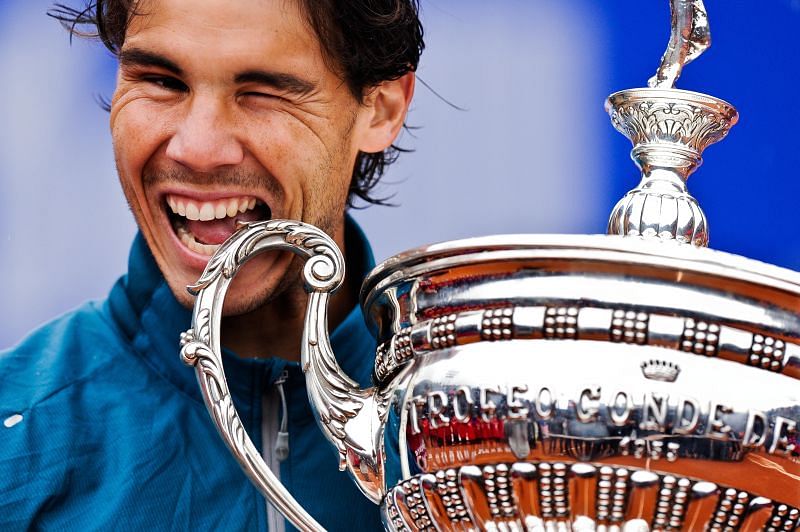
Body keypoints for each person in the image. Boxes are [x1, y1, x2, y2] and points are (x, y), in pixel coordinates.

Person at [0, 0, 423, 530]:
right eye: (161, 81)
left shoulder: (479, 431)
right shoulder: (13, 448)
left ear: (381, 108)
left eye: (264, 93)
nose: (197, 149)